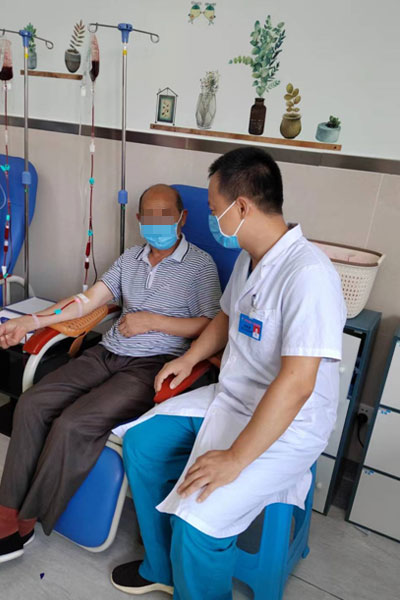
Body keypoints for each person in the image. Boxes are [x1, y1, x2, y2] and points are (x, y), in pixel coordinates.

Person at [111, 148, 347, 599]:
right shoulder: (249, 257)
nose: (213, 219)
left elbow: (298, 384)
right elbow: (226, 316)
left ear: (242, 207)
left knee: (199, 520)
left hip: (287, 421)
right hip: (234, 396)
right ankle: (162, 566)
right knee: (141, 443)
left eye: (214, 209)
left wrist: (235, 458)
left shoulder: (309, 275)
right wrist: (188, 358)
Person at [0, 184, 221, 563]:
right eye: (150, 216)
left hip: (152, 366)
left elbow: (212, 324)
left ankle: (26, 520)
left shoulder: (200, 266)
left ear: (182, 218)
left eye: (166, 216)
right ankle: (5, 514)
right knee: (33, 403)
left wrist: (153, 321)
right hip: (106, 353)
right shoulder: (130, 258)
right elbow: (87, 301)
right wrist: (31, 321)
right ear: (139, 220)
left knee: (73, 423)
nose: (158, 224)